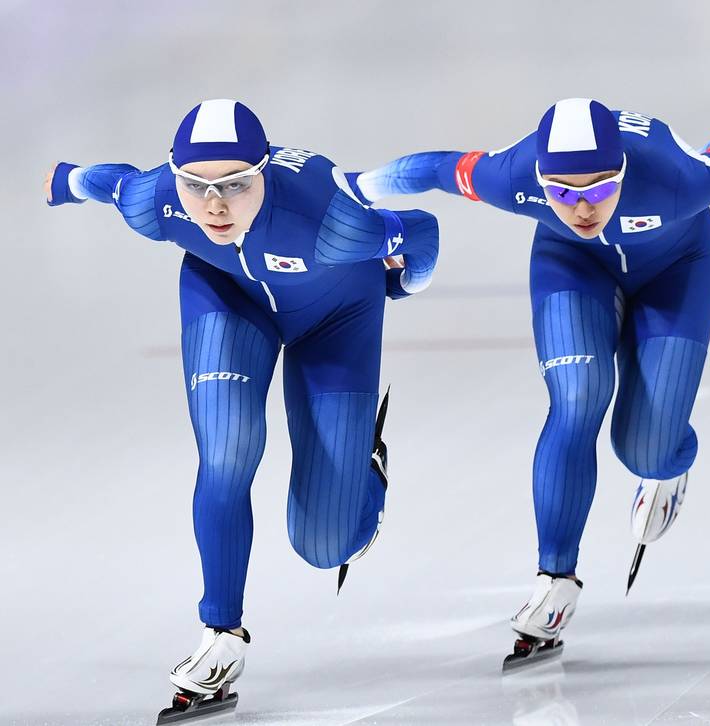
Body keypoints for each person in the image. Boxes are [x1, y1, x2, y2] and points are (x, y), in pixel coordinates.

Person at [45, 99, 439, 718]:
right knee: (227, 451)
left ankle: (364, 468)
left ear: (264, 171)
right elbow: (111, 181)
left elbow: (423, 231)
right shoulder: (158, 200)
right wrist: (65, 180)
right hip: (229, 302)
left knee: (326, 543)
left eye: (235, 185)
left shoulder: (334, 219)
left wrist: (402, 282)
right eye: (196, 186)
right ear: (175, 177)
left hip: (337, 318)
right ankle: (221, 634)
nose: (215, 205)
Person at [347, 98, 710, 668]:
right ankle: (555, 577)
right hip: (572, 268)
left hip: (678, 269)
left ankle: (669, 461)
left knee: (645, 448)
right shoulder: (512, 174)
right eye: (561, 192)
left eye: (600, 188)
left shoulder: (682, 179)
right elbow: (436, 168)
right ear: (539, 180)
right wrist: (355, 187)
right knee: (577, 397)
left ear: (624, 172)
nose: (582, 206)